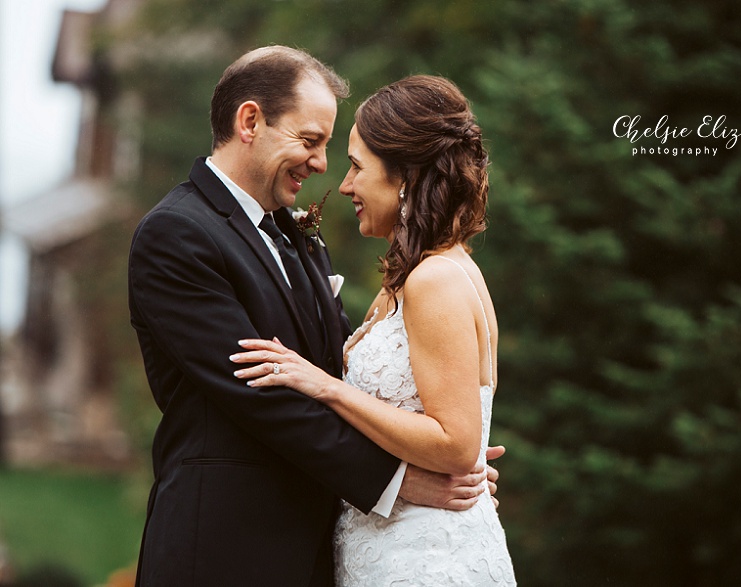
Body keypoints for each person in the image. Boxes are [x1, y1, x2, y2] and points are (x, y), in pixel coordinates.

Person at [128, 47, 501, 587]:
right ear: (250, 121)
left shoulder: (298, 235)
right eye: (310, 142)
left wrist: (444, 449)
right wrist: (403, 479)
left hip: (318, 551)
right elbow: (265, 392)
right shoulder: (177, 235)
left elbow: (342, 367)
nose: (325, 167)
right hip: (224, 551)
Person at [232, 75, 516, 585]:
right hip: (390, 549)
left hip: (426, 560)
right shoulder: (418, 277)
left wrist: (326, 387)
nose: (343, 185)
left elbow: (454, 444)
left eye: (357, 167)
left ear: (405, 176)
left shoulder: (435, 279)